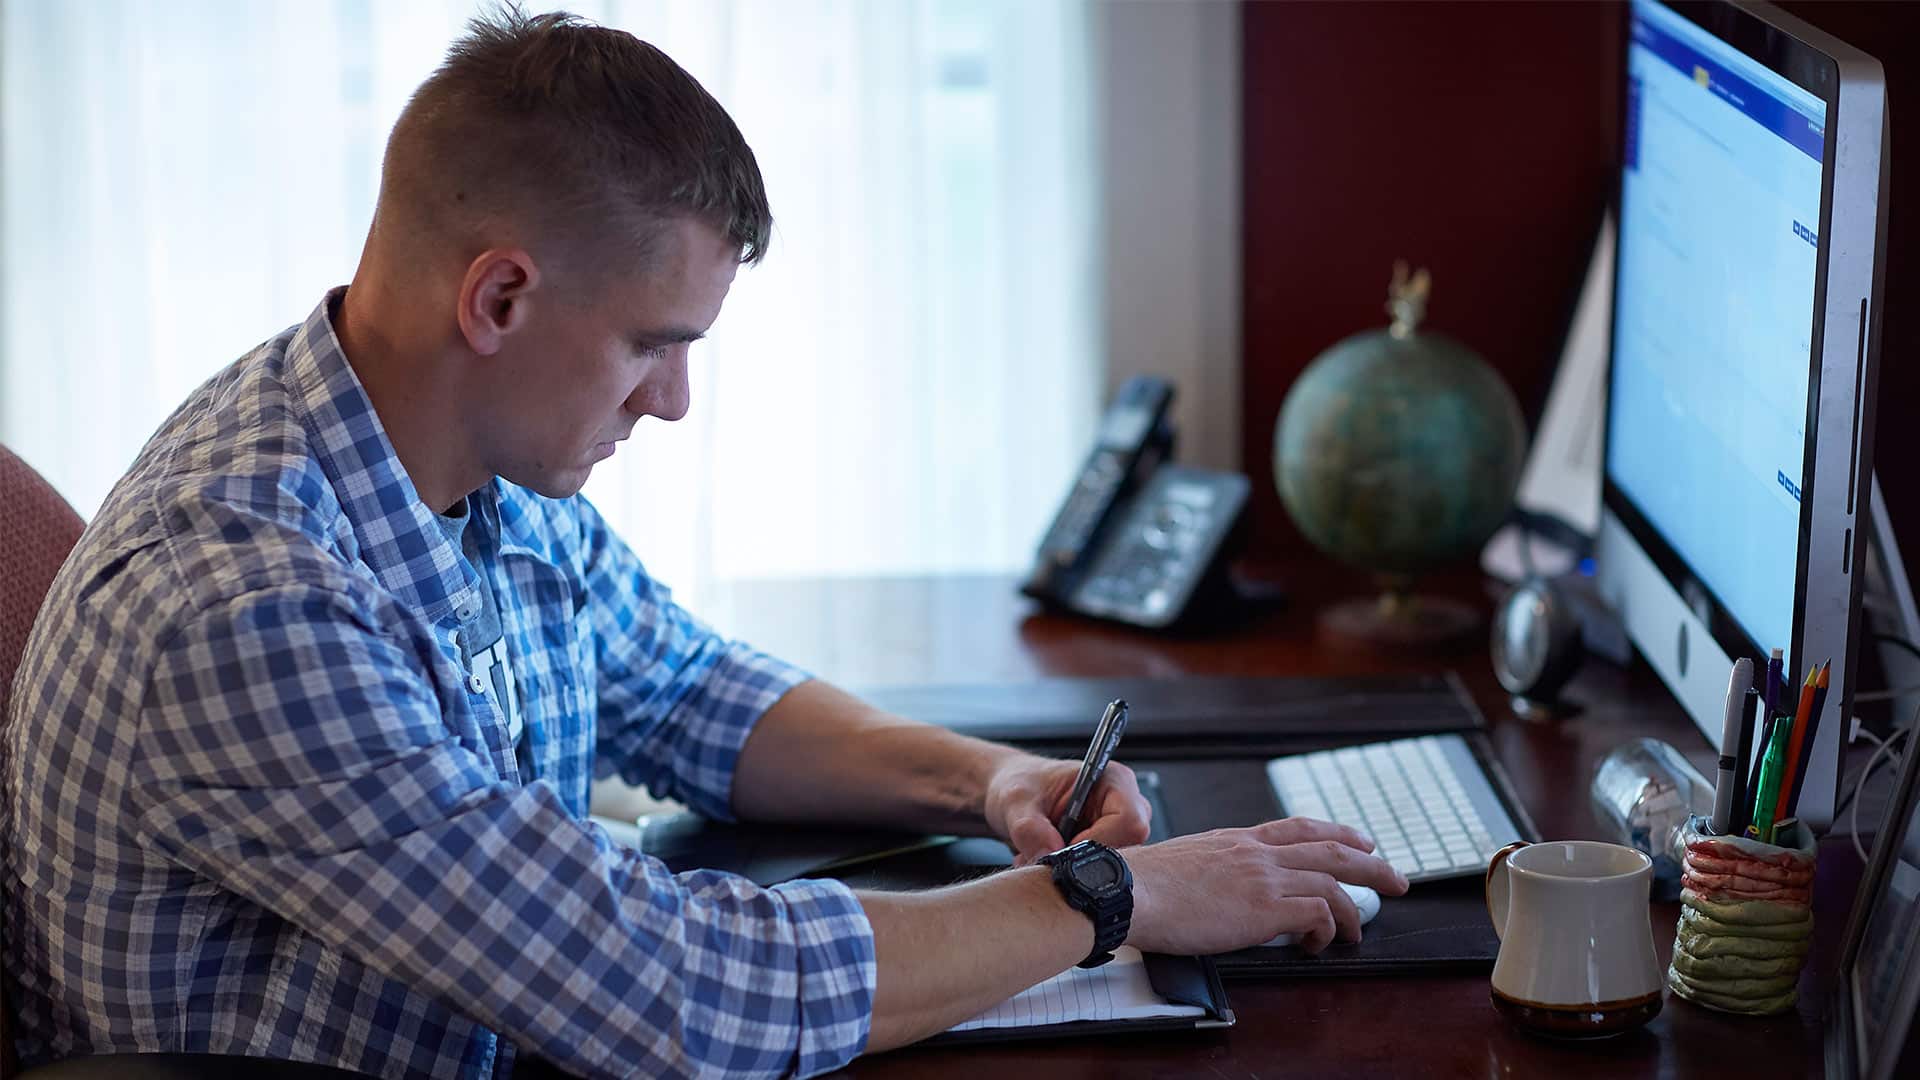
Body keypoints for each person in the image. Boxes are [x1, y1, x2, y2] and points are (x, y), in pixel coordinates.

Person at [0, 9, 1405, 1079]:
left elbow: (682, 688)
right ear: (498, 296)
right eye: (653, 348)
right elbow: (667, 997)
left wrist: (990, 783)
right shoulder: (245, 607)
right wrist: (1113, 899)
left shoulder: (456, 454)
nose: (672, 402)